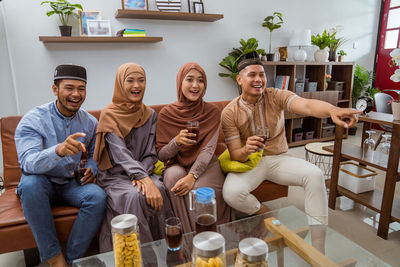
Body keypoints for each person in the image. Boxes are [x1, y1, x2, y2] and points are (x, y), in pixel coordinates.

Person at [221, 51, 361, 225]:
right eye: (252, 75)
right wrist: (245, 149)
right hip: (251, 162)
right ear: (239, 79)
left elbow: (307, 105)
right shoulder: (229, 112)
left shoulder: (275, 96)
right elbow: (235, 155)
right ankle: (265, 213)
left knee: (315, 175)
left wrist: (332, 110)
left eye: (262, 75)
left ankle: (318, 238)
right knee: (231, 193)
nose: (258, 79)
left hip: (279, 159)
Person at [14, 64, 107, 267]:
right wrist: (58, 151)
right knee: (30, 184)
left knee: (97, 196)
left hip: (68, 183)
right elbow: (27, 163)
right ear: (55, 89)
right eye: (69, 88)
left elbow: (95, 154)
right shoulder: (33, 119)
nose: (76, 94)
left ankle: (74, 261)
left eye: (81, 89)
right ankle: (55, 260)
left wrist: (93, 167)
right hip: (41, 182)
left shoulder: (90, 122)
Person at [94, 63, 174, 252]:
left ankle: (167, 255)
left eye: (141, 80)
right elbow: (119, 154)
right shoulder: (109, 114)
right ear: (120, 84)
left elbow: (150, 153)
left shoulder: (150, 114)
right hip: (115, 175)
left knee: (161, 188)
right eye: (130, 80)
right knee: (133, 196)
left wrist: (144, 177)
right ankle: (137, 257)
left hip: (142, 171)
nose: (136, 85)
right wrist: (143, 179)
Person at [156, 62, 233, 233]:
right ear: (180, 83)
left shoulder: (212, 112)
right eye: (189, 79)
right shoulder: (167, 114)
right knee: (173, 178)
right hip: (176, 163)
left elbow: (208, 150)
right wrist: (176, 142)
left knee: (201, 192)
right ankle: (190, 239)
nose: (195, 85)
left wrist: (193, 175)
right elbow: (161, 155)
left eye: (200, 80)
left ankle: (211, 237)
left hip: (206, 164)